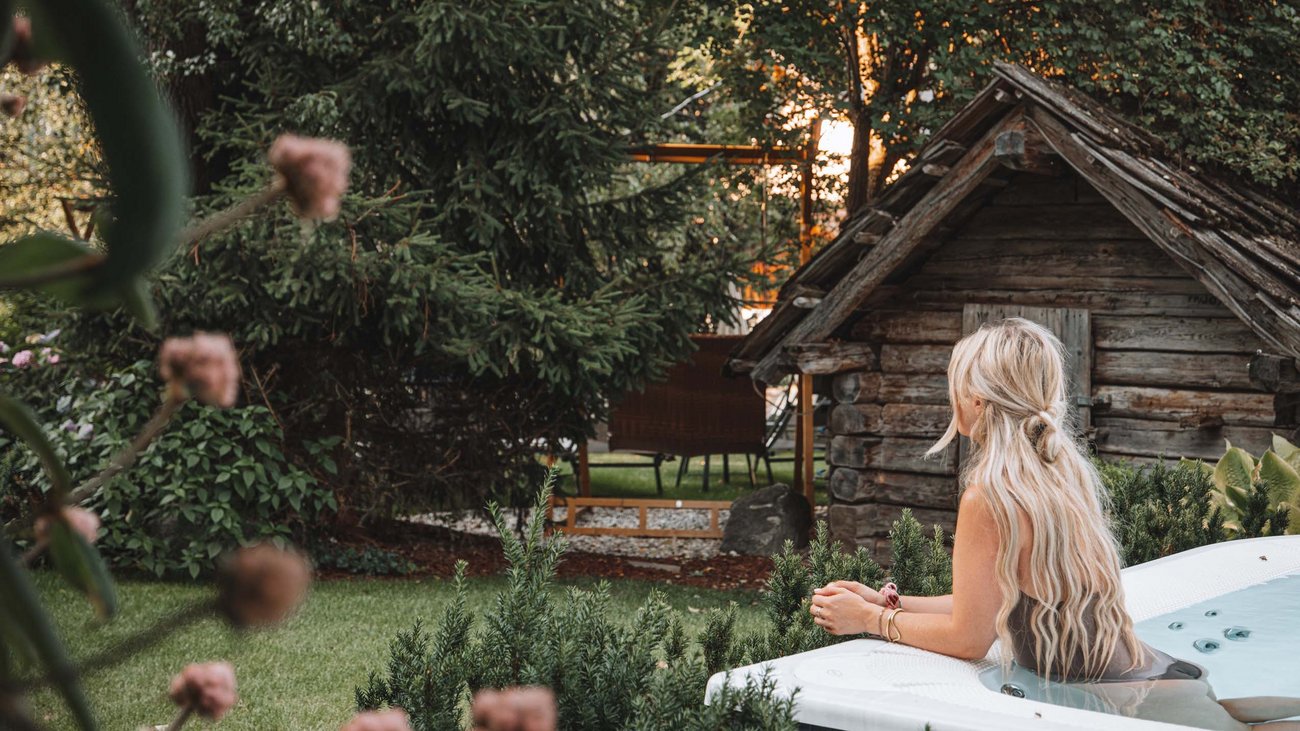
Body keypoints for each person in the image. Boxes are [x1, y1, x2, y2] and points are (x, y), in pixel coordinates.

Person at [808, 318, 1300, 730]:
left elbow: (968, 639)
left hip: (1128, 699)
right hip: (1161, 674)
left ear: (977, 399)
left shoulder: (988, 495)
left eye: (954, 382)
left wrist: (869, 621)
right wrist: (890, 600)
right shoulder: (1059, 473)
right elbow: (995, 606)